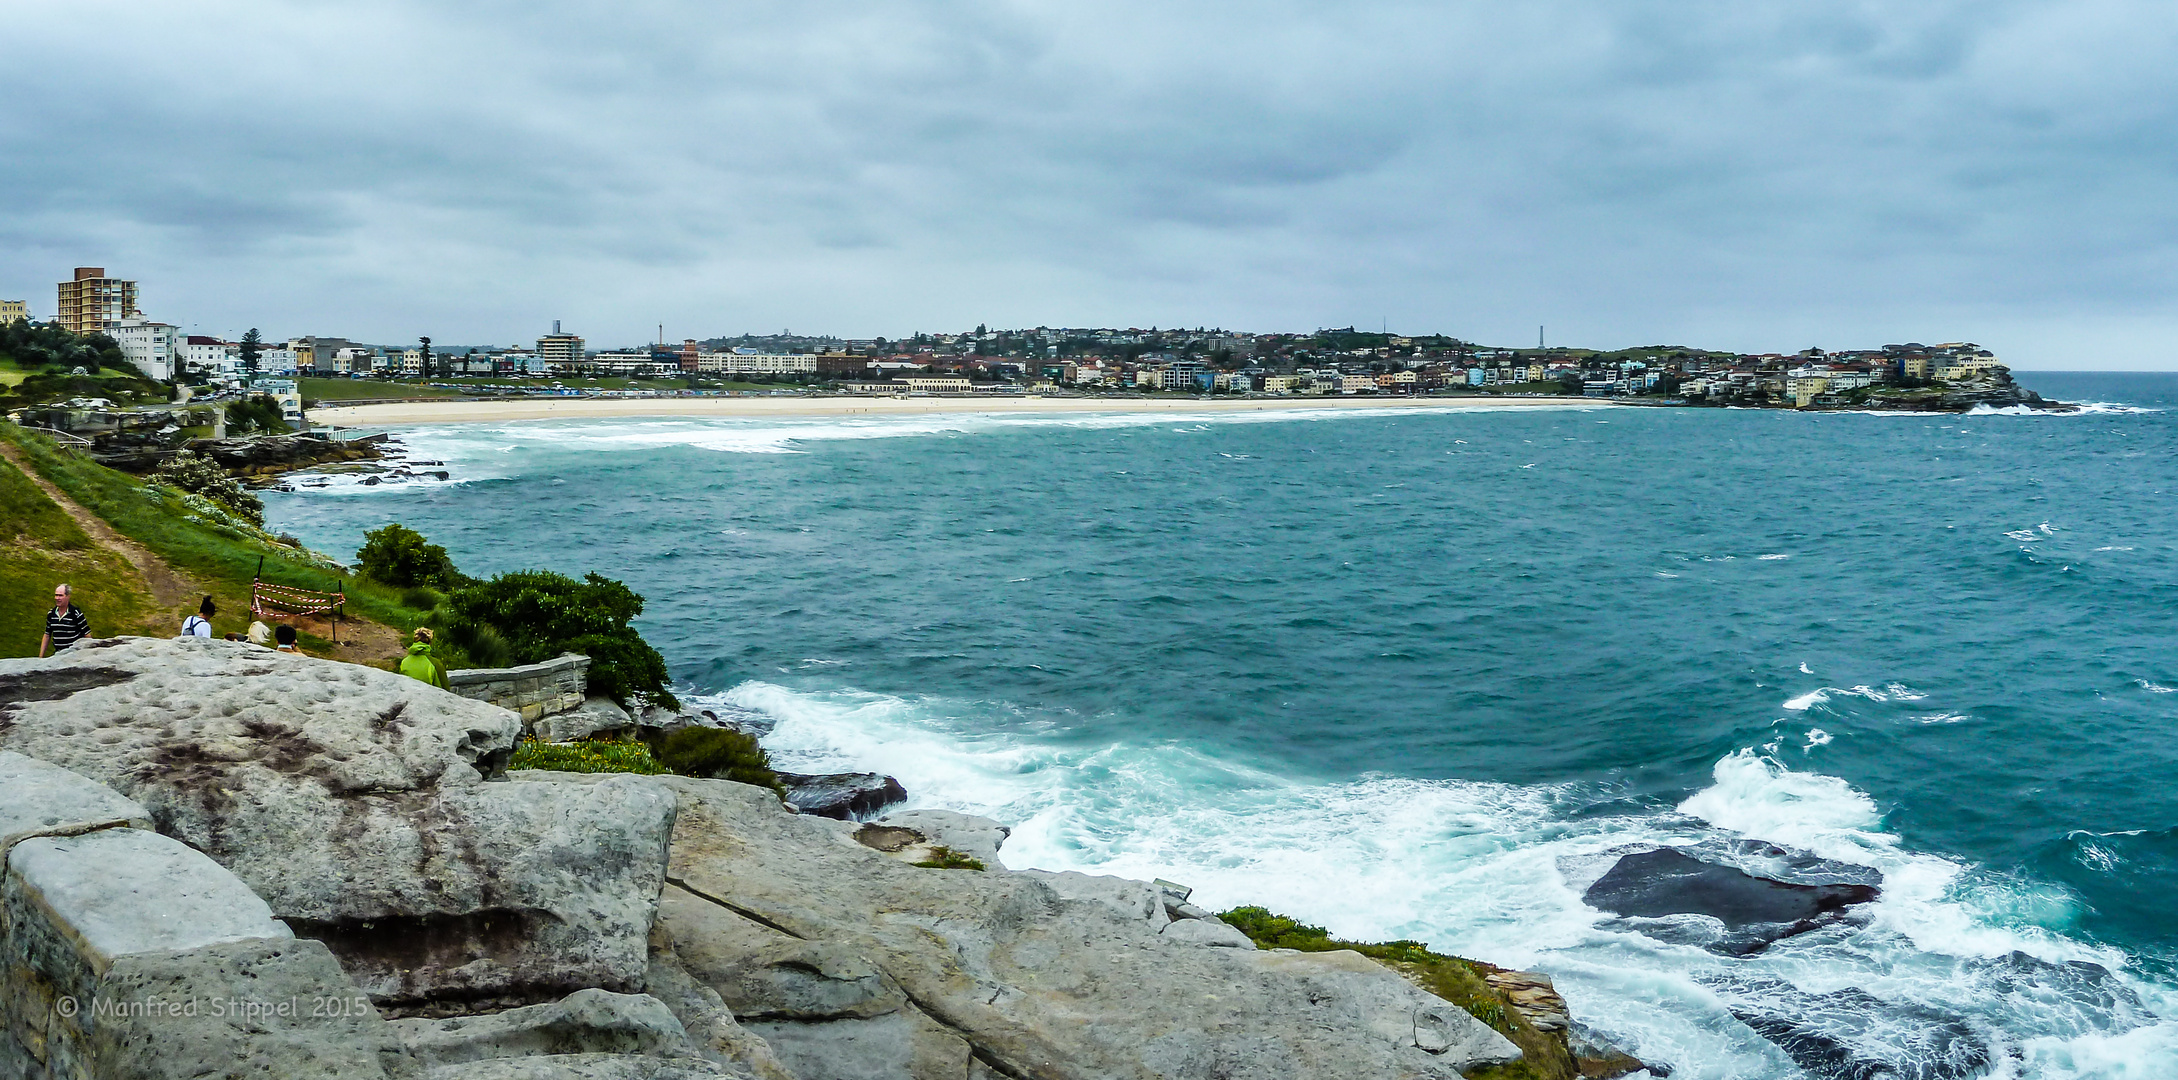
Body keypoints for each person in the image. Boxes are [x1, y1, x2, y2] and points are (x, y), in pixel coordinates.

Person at [39, 584, 89, 657]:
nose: (57, 598)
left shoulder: (76, 614)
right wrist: (40, 657)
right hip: (58, 655)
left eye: (60, 595)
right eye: (56, 595)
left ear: (68, 596)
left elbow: (87, 635)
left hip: (74, 655)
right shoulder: (51, 614)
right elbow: (47, 635)